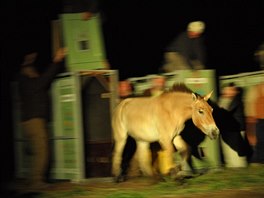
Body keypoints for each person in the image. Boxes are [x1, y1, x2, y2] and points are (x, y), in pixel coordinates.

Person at [17, 47, 66, 190]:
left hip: (29, 121)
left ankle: (30, 180)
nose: (35, 73)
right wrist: (56, 61)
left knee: (35, 152)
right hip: (34, 121)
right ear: (26, 70)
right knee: (42, 150)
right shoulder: (27, 80)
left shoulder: (25, 81)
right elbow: (43, 81)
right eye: (33, 71)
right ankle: (36, 181)